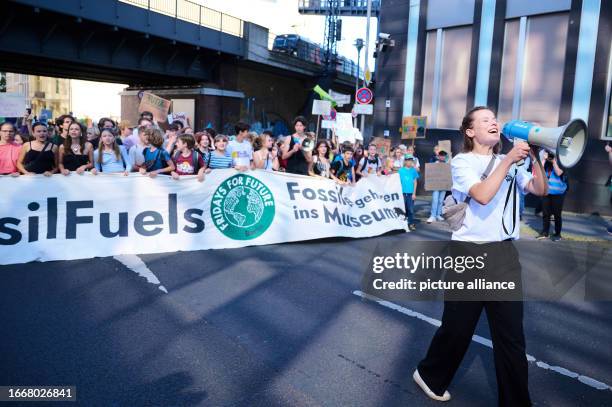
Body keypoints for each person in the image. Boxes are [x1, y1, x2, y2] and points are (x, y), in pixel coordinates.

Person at [413, 106, 547, 406]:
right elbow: (483, 194)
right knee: (457, 330)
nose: (493, 122)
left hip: (504, 256)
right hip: (469, 255)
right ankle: (429, 374)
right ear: (470, 131)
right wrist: (510, 160)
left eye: (495, 119)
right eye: (485, 120)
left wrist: (535, 156)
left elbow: (540, 188)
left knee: (511, 338)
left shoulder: (508, 161)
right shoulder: (462, 162)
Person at [536, 151, 567, 241]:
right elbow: (539, 170)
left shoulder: (562, 162)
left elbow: (559, 173)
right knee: (546, 214)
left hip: (558, 194)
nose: (551, 156)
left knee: (557, 215)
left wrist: (554, 162)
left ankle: (558, 234)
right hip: (547, 192)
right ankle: (545, 233)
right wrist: (544, 159)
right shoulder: (546, 163)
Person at [427, 149, 449, 223]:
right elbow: (430, 172)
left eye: (444, 156)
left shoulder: (447, 164)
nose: (442, 157)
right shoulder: (435, 163)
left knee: (440, 201)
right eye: (441, 156)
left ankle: (438, 215)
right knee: (435, 200)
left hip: (444, 185)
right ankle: (433, 215)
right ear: (438, 156)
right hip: (436, 185)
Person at [399, 155, 419, 231]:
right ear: (405, 161)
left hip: (410, 194)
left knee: (410, 209)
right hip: (403, 193)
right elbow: (397, 181)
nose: (410, 162)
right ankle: (402, 224)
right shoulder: (401, 170)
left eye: (411, 161)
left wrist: (414, 193)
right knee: (403, 209)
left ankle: (410, 223)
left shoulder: (413, 170)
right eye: (408, 160)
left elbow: (415, 182)